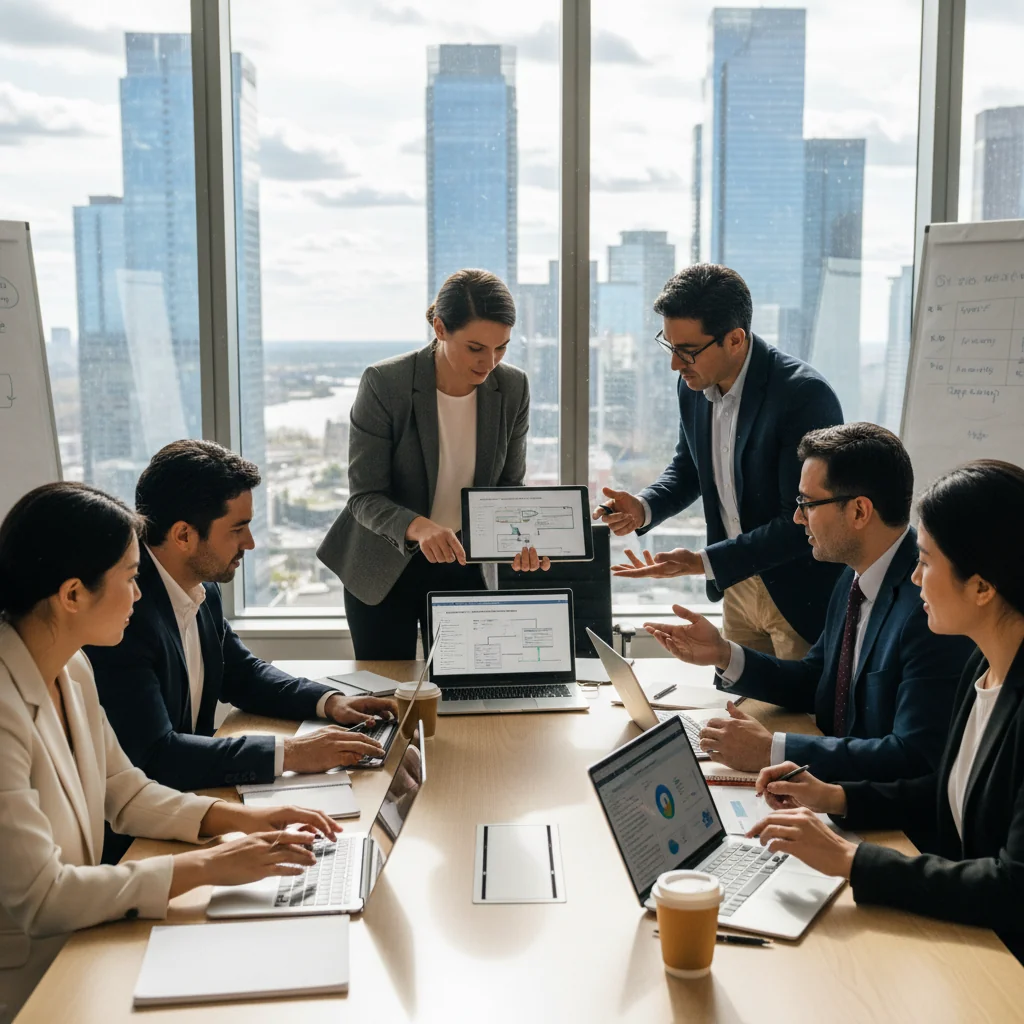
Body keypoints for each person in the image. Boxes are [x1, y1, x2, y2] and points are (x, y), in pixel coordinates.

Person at [0, 482, 339, 1023]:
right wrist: (210, 864)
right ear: (71, 595)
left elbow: (124, 790)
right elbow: (45, 895)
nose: (140, 596)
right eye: (131, 578)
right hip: (28, 987)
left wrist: (247, 819)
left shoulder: (71, 667)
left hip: (83, 947)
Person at [746, 460, 1024, 963]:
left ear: (982, 587)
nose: (914, 577)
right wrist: (836, 797)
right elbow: (945, 794)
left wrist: (852, 860)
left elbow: (1013, 886)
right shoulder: (983, 667)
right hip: (969, 937)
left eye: (926, 561)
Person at [644, 423, 974, 784]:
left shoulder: (929, 606)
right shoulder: (853, 575)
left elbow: (911, 756)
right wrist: (725, 654)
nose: (798, 517)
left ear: (860, 512)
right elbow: (816, 682)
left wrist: (776, 751)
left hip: (881, 816)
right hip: (831, 785)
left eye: (807, 503)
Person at [87, 441, 395, 822]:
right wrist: (292, 754)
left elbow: (243, 673)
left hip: (194, 797)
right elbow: (156, 756)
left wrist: (330, 702)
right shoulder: (124, 617)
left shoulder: (201, 587)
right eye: (238, 529)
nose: (249, 543)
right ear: (183, 536)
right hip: (144, 828)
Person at [594, 263, 844, 660]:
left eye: (687, 351)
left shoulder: (802, 397)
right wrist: (644, 507)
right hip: (737, 582)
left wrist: (700, 562)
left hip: (798, 591)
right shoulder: (693, 383)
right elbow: (690, 468)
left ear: (735, 339)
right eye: (670, 346)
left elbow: (802, 521)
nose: (676, 364)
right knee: (740, 709)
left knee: (797, 713)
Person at [318, 268, 549, 660]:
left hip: (465, 562)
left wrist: (523, 538)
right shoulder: (384, 383)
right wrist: (420, 527)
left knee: (468, 688)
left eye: (502, 348)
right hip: (383, 563)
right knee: (385, 699)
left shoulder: (513, 388)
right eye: (475, 348)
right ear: (440, 328)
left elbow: (510, 488)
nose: (489, 362)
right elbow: (365, 496)